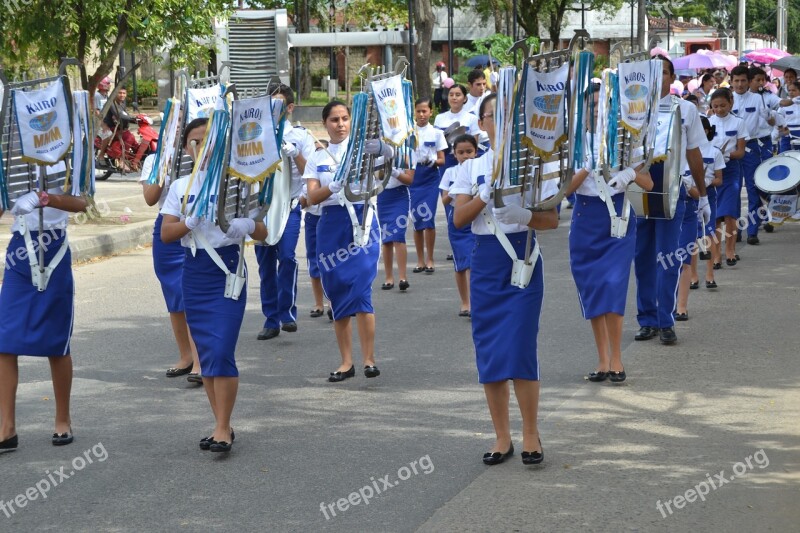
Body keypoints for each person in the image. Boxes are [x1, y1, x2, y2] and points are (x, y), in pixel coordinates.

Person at [452, 94, 559, 466]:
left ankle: (531, 432)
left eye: (507, 116)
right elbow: (459, 220)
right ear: (481, 123)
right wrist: (484, 193)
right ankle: (502, 436)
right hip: (486, 264)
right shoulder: (470, 167)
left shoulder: (534, 163)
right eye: (493, 116)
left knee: (520, 347)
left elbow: (551, 221)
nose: (500, 122)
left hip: (523, 261)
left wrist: (524, 213)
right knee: (491, 351)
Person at [161, 117, 268, 452]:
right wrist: (189, 222)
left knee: (221, 349)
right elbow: (166, 234)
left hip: (227, 270)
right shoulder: (180, 186)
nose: (201, 147)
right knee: (207, 354)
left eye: (207, 140)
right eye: (194, 141)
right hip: (195, 273)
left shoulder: (239, 182)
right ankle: (222, 424)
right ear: (186, 148)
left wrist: (248, 224)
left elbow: (265, 232)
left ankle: (223, 427)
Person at [565, 83, 653, 383]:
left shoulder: (626, 140)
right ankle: (602, 359)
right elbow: (565, 191)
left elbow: (649, 183)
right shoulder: (575, 143)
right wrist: (586, 167)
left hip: (617, 219)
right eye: (591, 107)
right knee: (592, 289)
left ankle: (617, 358)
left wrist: (629, 173)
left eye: (602, 106)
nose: (596, 112)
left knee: (613, 286)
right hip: (585, 218)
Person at [0, 162, 89, 450]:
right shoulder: (11, 158)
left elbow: (82, 203)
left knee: (57, 341)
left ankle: (63, 420)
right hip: (19, 251)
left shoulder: (65, 156)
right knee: (5, 341)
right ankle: (7, 427)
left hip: (54, 246)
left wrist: (45, 198)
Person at [303, 101, 383, 382]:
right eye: (334, 119)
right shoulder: (317, 157)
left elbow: (390, 166)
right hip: (331, 225)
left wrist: (385, 151)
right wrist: (332, 187)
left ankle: (369, 359)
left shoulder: (364, 149)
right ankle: (346, 361)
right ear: (325, 123)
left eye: (345, 118)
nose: (340, 124)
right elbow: (311, 197)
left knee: (361, 286)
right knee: (337, 290)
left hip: (362, 220)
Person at [634, 56, 709, 346]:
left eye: (663, 72)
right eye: (651, 72)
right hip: (639, 190)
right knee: (641, 258)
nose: (657, 77)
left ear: (672, 77)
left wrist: (702, 195)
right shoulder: (633, 109)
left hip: (672, 192)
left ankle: (666, 320)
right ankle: (647, 318)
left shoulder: (685, 109)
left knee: (667, 258)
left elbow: (694, 153)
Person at [255, 84, 316, 341]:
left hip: (290, 205)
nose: (273, 110)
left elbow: (309, 173)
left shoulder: (301, 136)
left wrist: (295, 154)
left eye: (279, 105)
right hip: (263, 208)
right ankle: (271, 318)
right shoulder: (257, 134)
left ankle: (287, 312)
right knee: (265, 263)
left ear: (289, 107)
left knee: (287, 256)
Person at [138, 153, 201, 383]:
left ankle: (200, 361)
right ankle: (185, 356)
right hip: (167, 225)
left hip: (197, 226)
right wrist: (163, 165)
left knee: (190, 294)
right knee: (174, 295)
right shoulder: (154, 160)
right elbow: (150, 198)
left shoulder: (202, 155)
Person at [732, 66, 781, 245]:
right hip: (731, 150)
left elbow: (769, 120)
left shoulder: (757, 98)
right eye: (736, 81)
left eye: (743, 80)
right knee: (733, 191)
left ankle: (752, 231)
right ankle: (734, 231)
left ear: (749, 81)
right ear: (731, 82)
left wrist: (771, 119)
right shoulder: (727, 98)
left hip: (751, 147)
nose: (739, 84)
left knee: (753, 189)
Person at [439, 134, 478, 317]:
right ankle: (465, 301)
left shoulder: (479, 169)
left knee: (472, 262)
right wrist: (456, 189)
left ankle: (475, 303)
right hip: (456, 223)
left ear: (476, 152)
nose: (465, 156)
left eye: (469, 151)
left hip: (475, 221)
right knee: (460, 264)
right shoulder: (450, 173)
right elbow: (445, 200)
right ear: (454, 154)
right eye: (461, 152)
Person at [709, 87, 746, 266]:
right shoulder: (708, 122)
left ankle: (730, 249)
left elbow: (741, 152)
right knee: (715, 215)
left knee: (730, 213)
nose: (720, 109)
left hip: (731, 170)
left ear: (730, 103)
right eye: (715, 106)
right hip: (713, 171)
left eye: (723, 105)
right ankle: (716, 254)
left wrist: (727, 155)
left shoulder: (739, 123)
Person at [413, 97, 448, 273]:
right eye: (418, 111)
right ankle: (419, 260)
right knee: (417, 220)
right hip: (413, 178)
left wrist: (432, 160)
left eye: (424, 111)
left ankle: (430, 258)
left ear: (430, 112)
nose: (421, 114)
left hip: (430, 178)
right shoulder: (408, 133)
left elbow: (442, 159)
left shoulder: (436, 133)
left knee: (428, 219)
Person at [377, 150, 414, 292]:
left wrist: (394, 172)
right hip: (382, 195)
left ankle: (402, 277)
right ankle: (388, 277)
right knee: (386, 239)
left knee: (398, 236)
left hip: (400, 195)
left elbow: (410, 180)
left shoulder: (405, 153)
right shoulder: (375, 153)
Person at [696, 115, 725, 286]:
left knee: (709, 233)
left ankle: (709, 274)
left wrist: (707, 181)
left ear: (706, 131)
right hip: (690, 195)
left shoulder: (714, 152)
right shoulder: (683, 150)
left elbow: (719, 179)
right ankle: (693, 276)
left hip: (708, 195)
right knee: (692, 237)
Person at [97, 87, 136, 170]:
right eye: (120, 93)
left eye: (124, 93)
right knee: (108, 135)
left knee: (130, 138)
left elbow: (125, 114)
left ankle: (127, 159)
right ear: (115, 94)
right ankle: (102, 155)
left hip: (118, 127)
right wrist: (132, 118)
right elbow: (119, 115)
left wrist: (137, 118)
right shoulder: (112, 103)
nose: (122, 95)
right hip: (108, 126)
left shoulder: (122, 103)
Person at [777, 81, 800, 153]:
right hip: (787, 134)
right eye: (789, 90)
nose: (791, 92)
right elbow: (778, 119)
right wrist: (781, 131)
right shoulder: (784, 104)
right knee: (784, 155)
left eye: (794, 90)